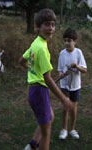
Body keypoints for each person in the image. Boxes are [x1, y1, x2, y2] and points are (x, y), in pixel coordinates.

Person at [19, 8, 73, 150]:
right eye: (47, 24)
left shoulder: (35, 43)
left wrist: (33, 72)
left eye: (53, 24)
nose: (51, 28)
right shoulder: (41, 49)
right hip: (39, 92)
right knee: (46, 132)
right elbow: (48, 79)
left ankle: (31, 145)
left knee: (50, 116)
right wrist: (64, 99)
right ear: (38, 27)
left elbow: (22, 61)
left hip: (34, 91)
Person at [58, 28, 87, 140]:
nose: (67, 43)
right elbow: (60, 69)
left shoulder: (78, 52)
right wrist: (61, 74)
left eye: (69, 40)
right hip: (64, 85)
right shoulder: (62, 53)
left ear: (75, 41)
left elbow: (84, 70)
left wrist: (77, 67)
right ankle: (64, 130)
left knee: (73, 108)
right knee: (65, 108)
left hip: (75, 86)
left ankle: (72, 129)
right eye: (65, 40)